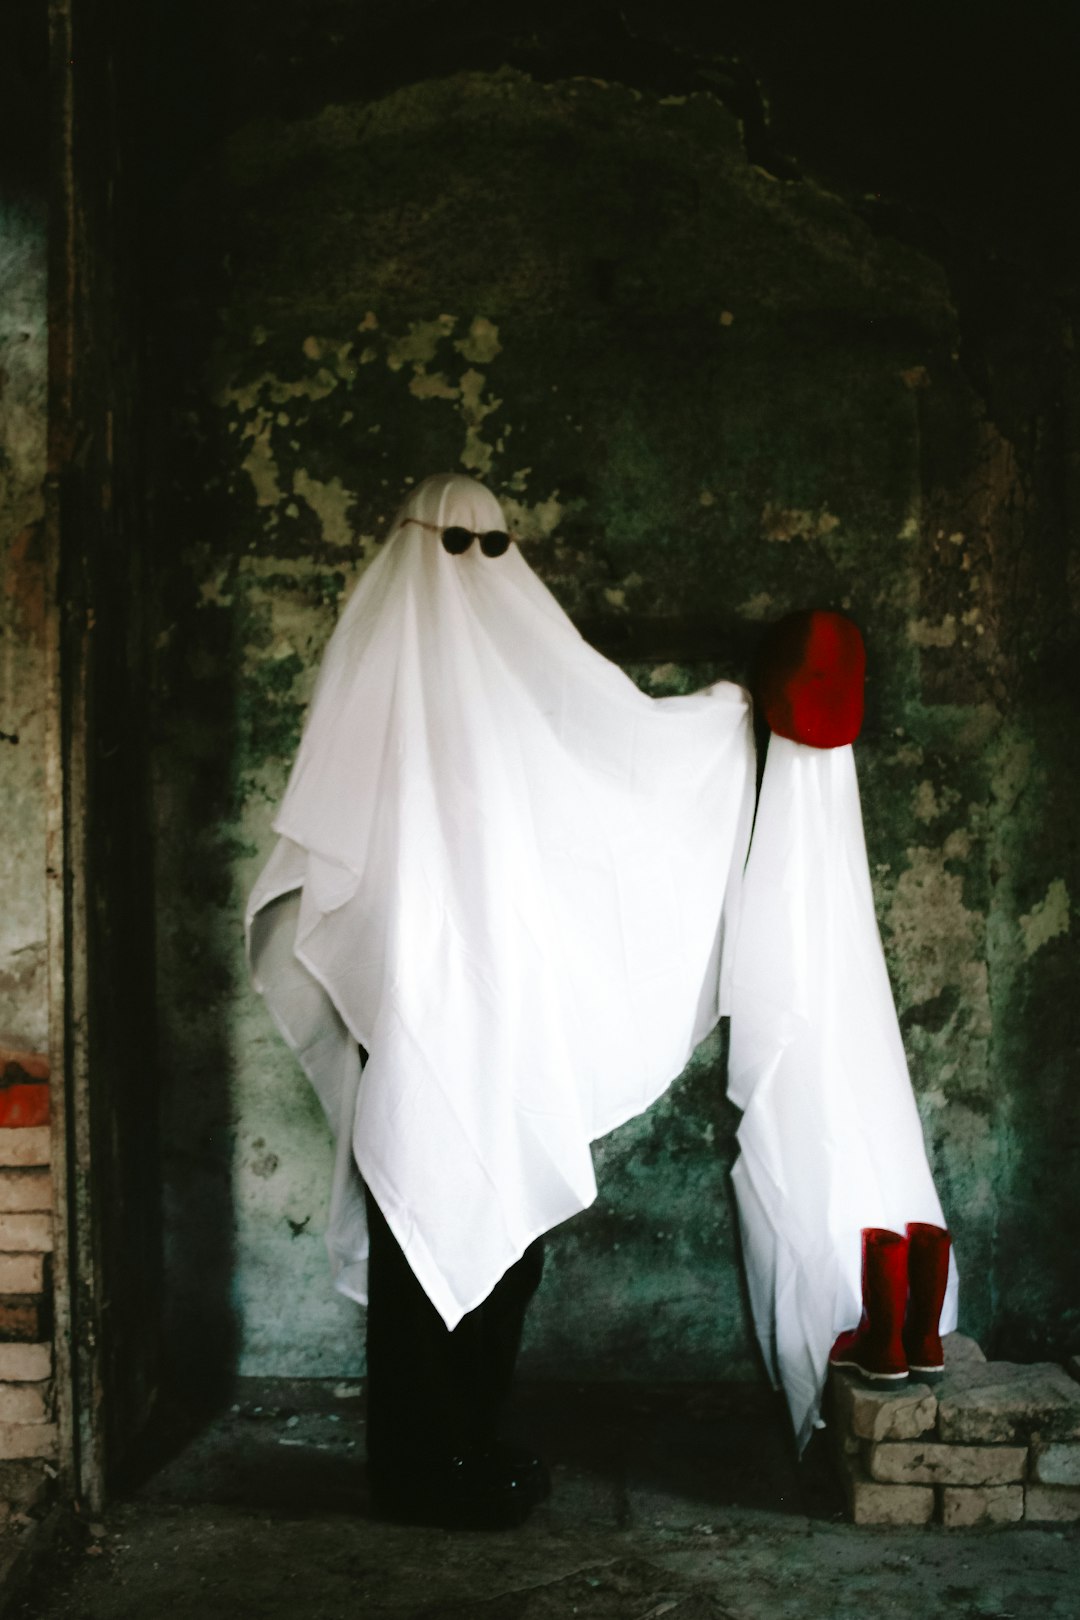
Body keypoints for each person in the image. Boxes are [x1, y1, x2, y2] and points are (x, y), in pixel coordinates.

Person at [246, 472, 756, 1526]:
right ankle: (417, 1468)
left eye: (491, 545)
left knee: (506, 1236)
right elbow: (337, 850)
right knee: (420, 1236)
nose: (472, 569)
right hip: (411, 1013)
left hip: (506, 1007)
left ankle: (466, 1443)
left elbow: (609, 767)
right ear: (414, 545)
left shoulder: (524, 685)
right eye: (454, 544)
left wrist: (716, 723)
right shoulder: (376, 677)